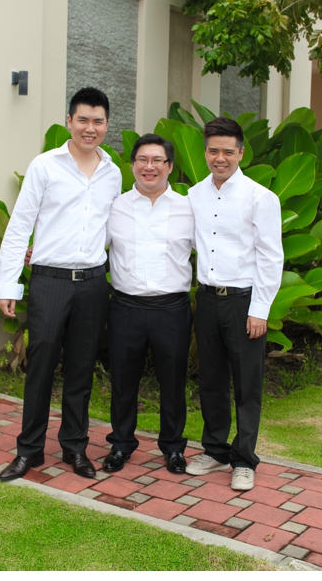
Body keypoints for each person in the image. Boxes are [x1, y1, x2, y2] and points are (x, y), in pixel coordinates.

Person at [0, 87, 121, 481]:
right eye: (83, 119)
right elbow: (19, 227)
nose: (90, 128)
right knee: (41, 368)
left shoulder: (113, 172)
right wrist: (8, 283)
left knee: (81, 369)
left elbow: (111, 230)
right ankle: (29, 451)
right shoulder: (45, 165)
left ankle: (74, 448)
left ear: (107, 125)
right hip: (50, 282)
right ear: (69, 121)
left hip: (94, 283)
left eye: (98, 121)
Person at [185, 117, 283, 491]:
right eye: (213, 150)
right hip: (207, 298)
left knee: (247, 384)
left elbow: (271, 257)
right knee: (210, 379)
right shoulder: (194, 195)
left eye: (228, 151)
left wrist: (260, 309)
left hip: (243, 302)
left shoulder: (261, 198)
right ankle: (214, 450)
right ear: (205, 151)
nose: (220, 158)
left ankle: (244, 459)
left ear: (241, 152)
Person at [102, 134, 195, 475]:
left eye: (157, 160)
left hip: (172, 308)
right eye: (142, 159)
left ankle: (173, 447)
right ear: (132, 165)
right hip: (125, 306)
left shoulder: (188, 208)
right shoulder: (116, 206)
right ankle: (121, 444)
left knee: (173, 381)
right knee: (123, 380)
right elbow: (91, 245)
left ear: (170, 166)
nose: (149, 166)